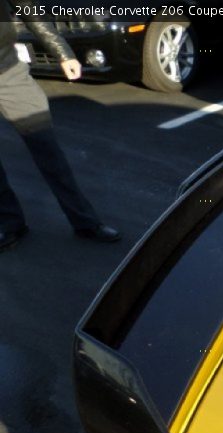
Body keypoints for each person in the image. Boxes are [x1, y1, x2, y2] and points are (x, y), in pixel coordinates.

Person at [0, 0, 120, 251]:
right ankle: (10, 223)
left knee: (47, 149)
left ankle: (85, 221)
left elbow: (29, 10)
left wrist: (63, 53)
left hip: (8, 73)